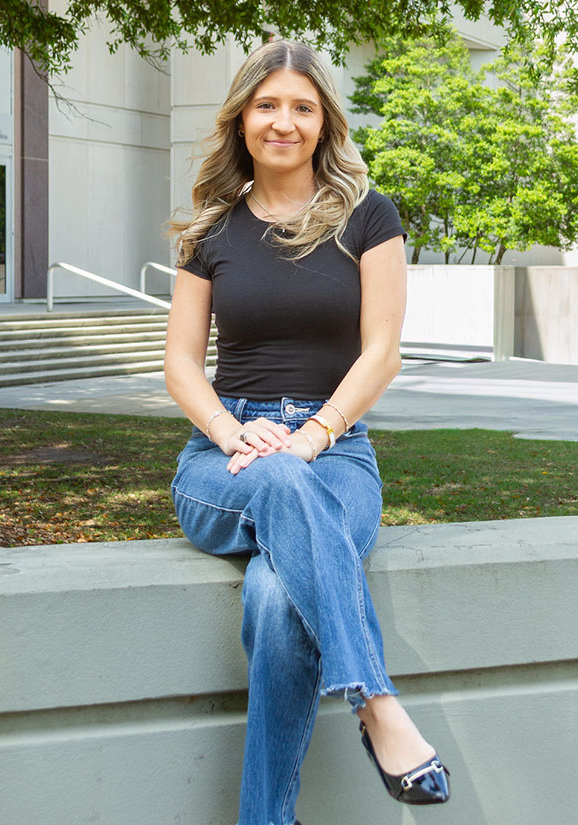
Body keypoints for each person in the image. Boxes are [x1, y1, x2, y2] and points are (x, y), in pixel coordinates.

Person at [165, 39, 450, 825]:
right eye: (266, 105)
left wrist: (317, 433)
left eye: (301, 107)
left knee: (272, 593)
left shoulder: (368, 215)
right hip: (225, 460)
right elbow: (181, 366)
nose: (282, 122)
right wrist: (231, 433)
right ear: (241, 118)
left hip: (338, 452)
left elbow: (381, 350)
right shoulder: (211, 231)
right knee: (281, 482)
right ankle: (376, 701)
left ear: (323, 121)